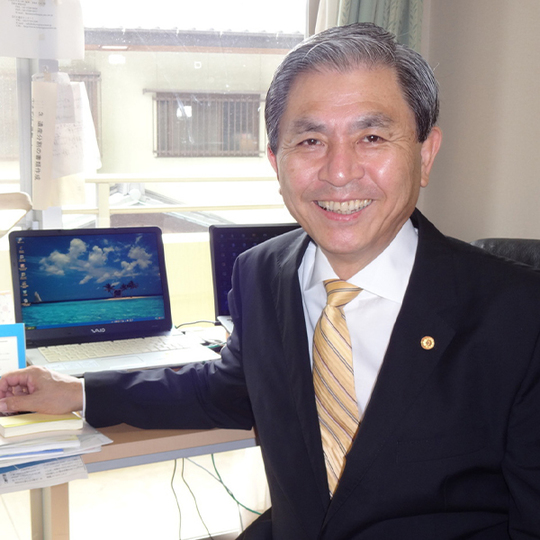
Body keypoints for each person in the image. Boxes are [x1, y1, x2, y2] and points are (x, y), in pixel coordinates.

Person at [2, 23, 540, 539]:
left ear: (424, 154)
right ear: (275, 161)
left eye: (372, 136)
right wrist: (77, 393)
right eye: (310, 141)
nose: (339, 172)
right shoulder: (261, 273)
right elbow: (224, 391)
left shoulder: (520, 315)